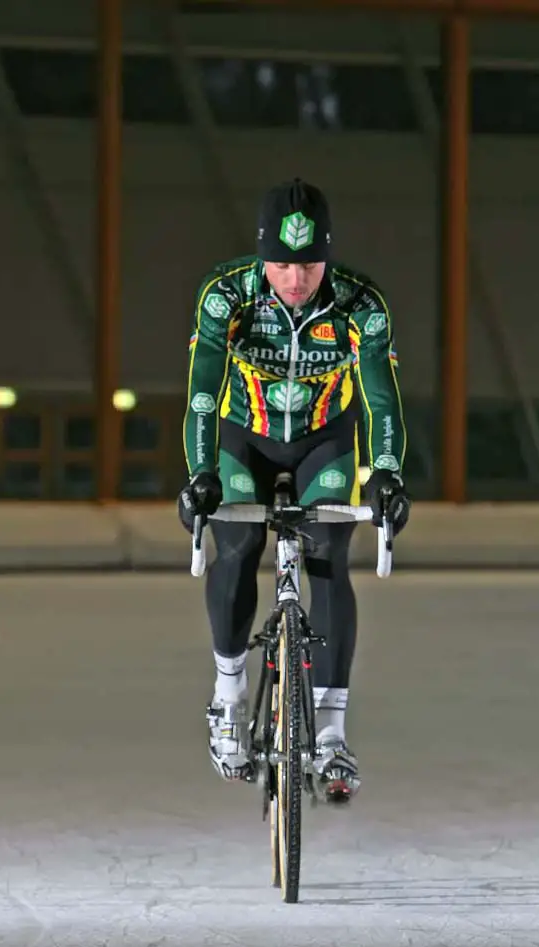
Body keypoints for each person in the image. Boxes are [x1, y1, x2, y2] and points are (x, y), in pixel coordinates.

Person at [177, 177, 410, 801]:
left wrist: (386, 471)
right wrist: (199, 474)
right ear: (261, 256)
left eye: (309, 265)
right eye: (280, 264)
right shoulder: (226, 297)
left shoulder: (362, 305)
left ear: (327, 258)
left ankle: (331, 734)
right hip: (241, 436)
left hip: (324, 438)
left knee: (328, 559)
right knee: (235, 548)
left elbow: (379, 395)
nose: (295, 279)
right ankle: (229, 692)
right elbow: (202, 390)